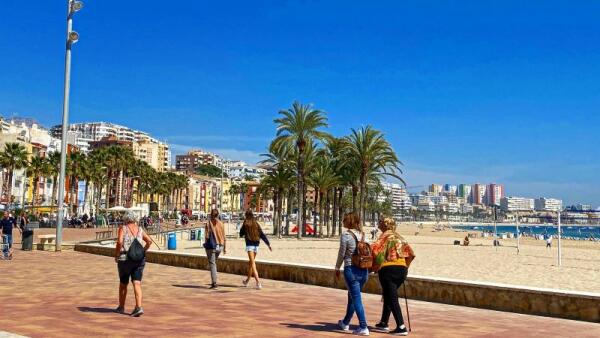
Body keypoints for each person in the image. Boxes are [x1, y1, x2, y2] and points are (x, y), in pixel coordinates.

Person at [371, 218, 415, 336]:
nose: (378, 224)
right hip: (402, 269)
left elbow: (374, 249)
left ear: (385, 225)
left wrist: (375, 266)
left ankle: (401, 326)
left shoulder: (384, 236)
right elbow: (411, 253)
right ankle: (384, 322)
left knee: (392, 298)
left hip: (388, 269)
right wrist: (405, 266)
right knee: (388, 295)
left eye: (380, 222)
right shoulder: (399, 237)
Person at [335, 212, 370, 336]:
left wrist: (337, 267)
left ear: (349, 221)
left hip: (351, 269)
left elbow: (342, 253)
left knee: (356, 299)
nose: (342, 221)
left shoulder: (346, 235)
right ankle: (345, 323)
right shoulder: (363, 235)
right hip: (364, 271)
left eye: (344, 219)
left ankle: (363, 326)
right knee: (352, 297)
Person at [114, 211, 152, 317]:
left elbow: (119, 242)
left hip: (125, 258)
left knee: (123, 283)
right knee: (137, 283)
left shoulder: (123, 228)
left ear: (126, 218)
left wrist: (116, 254)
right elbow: (149, 241)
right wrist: (142, 251)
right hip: (139, 260)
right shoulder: (140, 229)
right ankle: (138, 307)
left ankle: (121, 307)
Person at [239, 210, 272, 289]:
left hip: (250, 245)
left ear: (246, 216)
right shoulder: (256, 223)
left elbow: (241, 233)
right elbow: (262, 234)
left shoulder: (246, 223)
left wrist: (243, 231)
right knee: (251, 263)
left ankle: (258, 282)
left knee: (253, 263)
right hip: (256, 245)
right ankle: (247, 281)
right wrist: (268, 244)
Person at [204, 209, 226, 289]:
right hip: (220, 246)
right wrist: (225, 248)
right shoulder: (221, 223)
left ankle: (214, 283)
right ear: (218, 215)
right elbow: (224, 236)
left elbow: (206, 236)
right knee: (213, 263)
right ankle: (214, 277)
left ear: (211, 214)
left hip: (212, 246)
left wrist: (206, 245)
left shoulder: (208, 223)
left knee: (212, 264)